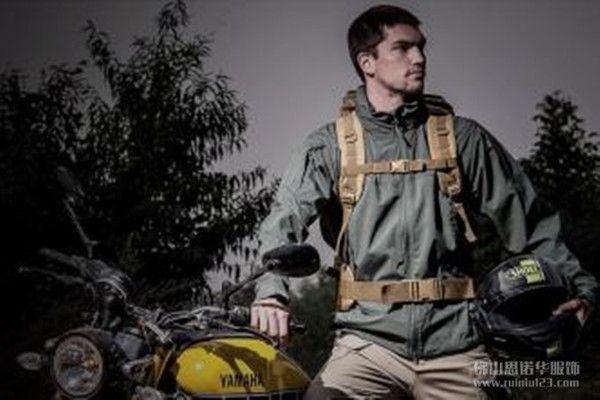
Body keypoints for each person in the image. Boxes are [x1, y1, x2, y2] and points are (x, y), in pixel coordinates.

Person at [250, 4, 598, 399]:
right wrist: (271, 294)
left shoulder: (464, 139)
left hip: (459, 344)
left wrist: (582, 290)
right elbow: (283, 223)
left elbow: (534, 226)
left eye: (421, 47)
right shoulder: (328, 147)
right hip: (366, 345)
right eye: (402, 48)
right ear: (367, 62)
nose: (418, 58)